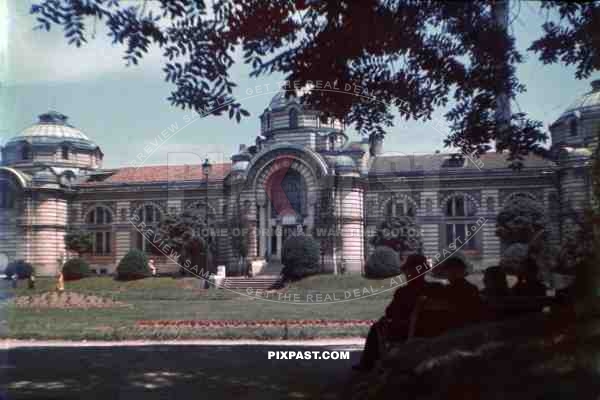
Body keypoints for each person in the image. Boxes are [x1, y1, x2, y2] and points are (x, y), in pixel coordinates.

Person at [354, 254, 441, 371]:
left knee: (377, 327)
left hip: (407, 330)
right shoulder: (437, 288)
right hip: (434, 329)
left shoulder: (403, 292)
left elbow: (390, 312)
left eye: (408, 271)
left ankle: (367, 364)